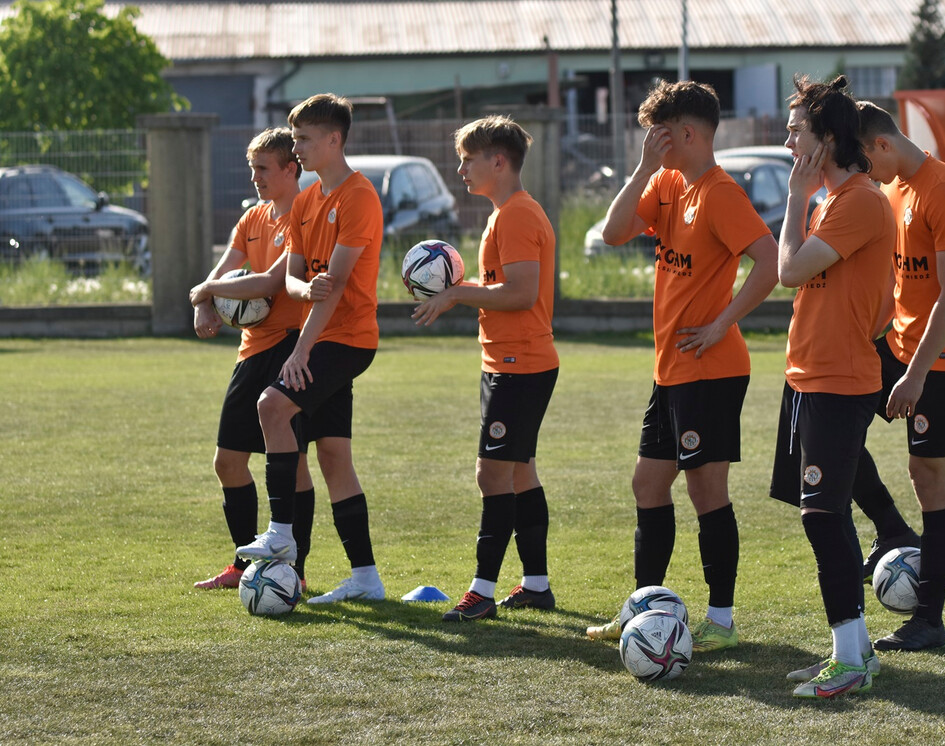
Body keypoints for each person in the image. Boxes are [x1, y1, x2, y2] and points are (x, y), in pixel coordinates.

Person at [584, 80, 779, 652]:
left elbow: (769, 262)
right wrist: (644, 167)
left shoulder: (720, 194)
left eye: (659, 135)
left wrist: (724, 321)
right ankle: (648, 611)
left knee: (705, 490)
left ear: (686, 134)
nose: (652, 143)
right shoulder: (667, 181)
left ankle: (721, 621)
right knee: (648, 483)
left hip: (711, 369)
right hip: (672, 369)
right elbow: (615, 233)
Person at [769, 75, 895, 698]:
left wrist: (794, 199)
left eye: (796, 131)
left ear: (828, 139)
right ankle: (855, 650)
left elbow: (786, 271)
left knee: (823, 516)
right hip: (810, 376)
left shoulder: (859, 201)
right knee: (820, 513)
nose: (786, 140)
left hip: (838, 382)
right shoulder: (834, 202)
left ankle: (851, 658)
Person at [235, 93, 387, 605]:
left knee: (271, 406)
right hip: (320, 333)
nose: (296, 148)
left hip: (347, 339)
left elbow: (336, 284)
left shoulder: (358, 197)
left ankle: (280, 532)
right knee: (335, 457)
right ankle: (366, 578)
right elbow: (298, 283)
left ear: (333, 140)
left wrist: (299, 352)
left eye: (302, 139)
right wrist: (304, 289)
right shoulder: (304, 201)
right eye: (294, 138)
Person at [412, 115, 560, 622]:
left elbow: (520, 293)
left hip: (519, 364)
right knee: (519, 473)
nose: (460, 170)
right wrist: (460, 282)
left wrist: (455, 293)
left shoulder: (516, 215)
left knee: (491, 474)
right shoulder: (507, 213)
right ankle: (537, 586)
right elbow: (506, 283)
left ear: (498, 161)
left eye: (468, 160)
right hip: (510, 360)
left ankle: (481, 592)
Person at [854, 101, 945, 652]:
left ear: (881, 145)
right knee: (827, 423)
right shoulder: (892, 189)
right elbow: (897, 281)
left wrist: (915, 375)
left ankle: (928, 618)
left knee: (927, 476)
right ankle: (891, 528)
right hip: (899, 346)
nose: (863, 173)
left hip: (944, 358)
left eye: (863, 160)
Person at [189, 127, 315, 593]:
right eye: (251, 168)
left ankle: (294, 571)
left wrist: (207, 292)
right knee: (228, 462)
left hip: (290, 347)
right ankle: (245, 561)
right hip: (251, 350)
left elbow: (267, 283)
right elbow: (221, 270)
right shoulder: (252, 219)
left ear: (290, 167)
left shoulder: (305, 217)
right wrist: (206, 301)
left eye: (263, 168)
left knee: (296, 463)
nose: (255, 177)